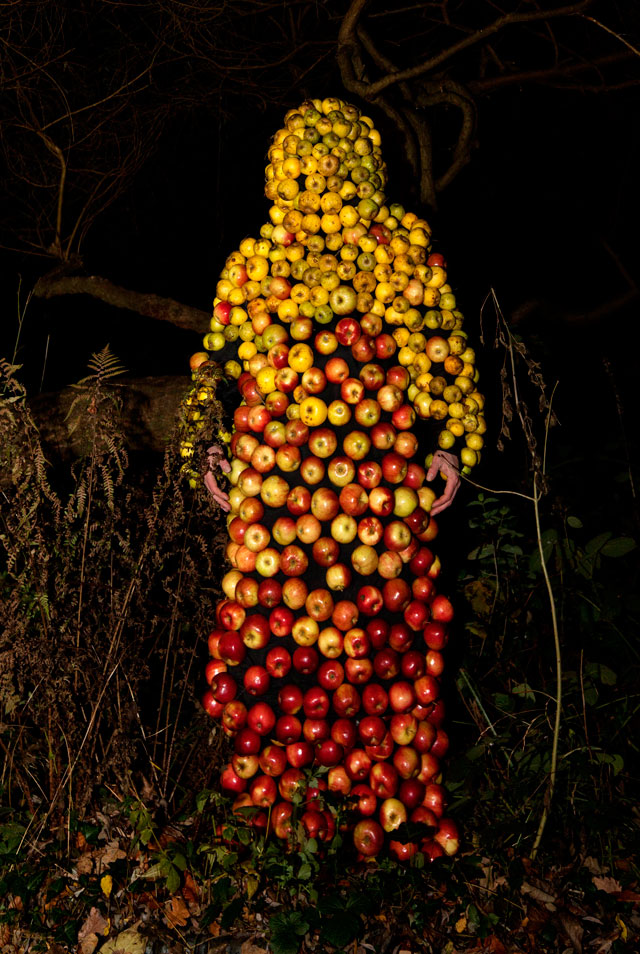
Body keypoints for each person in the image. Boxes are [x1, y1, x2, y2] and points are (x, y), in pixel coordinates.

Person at [181, 97, 485, 861]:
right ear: (284, 171)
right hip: (278, 497)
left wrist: (448, 445)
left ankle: (384, 807)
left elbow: (443, 349)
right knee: (277, 668)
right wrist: (205, 444)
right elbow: (214, 365)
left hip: (378, 496)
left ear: (361, 170)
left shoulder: (399, 257)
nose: (321, 174)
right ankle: (279, 813)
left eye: (335, 161)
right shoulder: (257, 265)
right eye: (306, 159)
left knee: (384, 652)